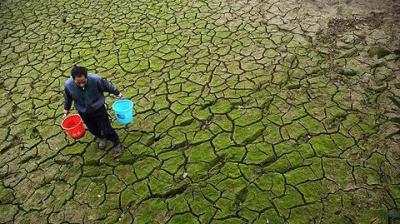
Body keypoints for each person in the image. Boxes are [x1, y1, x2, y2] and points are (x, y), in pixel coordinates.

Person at [63, 66, 123, 158]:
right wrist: (66, 109)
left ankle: (116, 142)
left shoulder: (95, 79)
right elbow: (68, 98)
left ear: (86, 77)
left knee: (106, 129)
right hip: (83, 111)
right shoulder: (68, 85)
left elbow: (107, 86)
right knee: (92, 128)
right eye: (78, 83)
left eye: (83, 82)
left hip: (98, 108)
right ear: (73, 78)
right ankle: (101, 138)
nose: (81, 85)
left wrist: (117, 93)